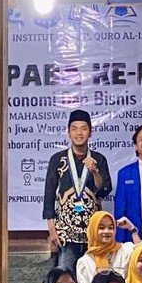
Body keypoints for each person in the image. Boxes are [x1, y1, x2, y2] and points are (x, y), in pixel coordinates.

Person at [42, 110, 112, 272]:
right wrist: (52, 229)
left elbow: (104, 190)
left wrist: (94, 171)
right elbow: (49, 193)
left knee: (93, 275)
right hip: (66, 231)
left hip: (93, 230)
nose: (79, 133)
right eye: (74, 128)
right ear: (68, 132)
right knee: (65, 274)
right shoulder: (58, 159)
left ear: (90, 133)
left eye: (83, 128)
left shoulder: (99, 159)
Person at [77, 211, 132, 283]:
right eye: (101, 228)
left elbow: (141, 253)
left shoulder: (124, 251)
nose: (106, 231)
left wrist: (132, 229)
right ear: (93, 230)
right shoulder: (85, 262)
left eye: (110, 228)